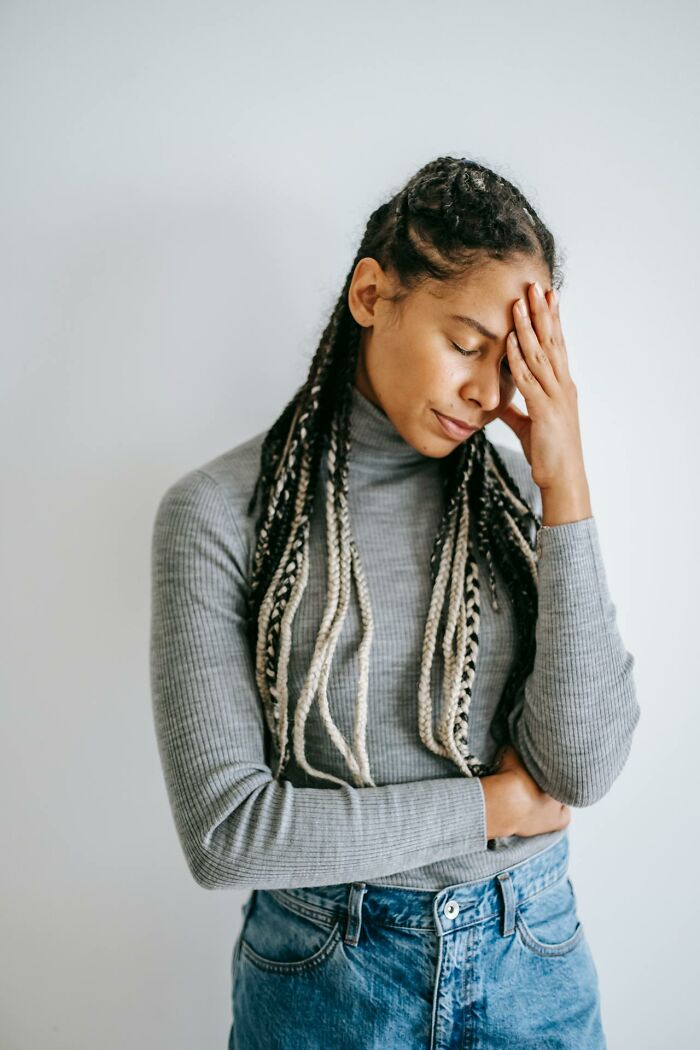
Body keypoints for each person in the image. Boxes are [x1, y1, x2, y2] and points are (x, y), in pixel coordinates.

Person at [149, 155, 640, 1048]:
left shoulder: (521, 504)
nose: (490, 394)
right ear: (372, 294)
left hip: (532, 962)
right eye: (465, 344)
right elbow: (226, 832)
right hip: (322, 980)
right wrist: (489, 810)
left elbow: (582, 768)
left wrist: (565, 480)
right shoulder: (221, 515)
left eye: (514, 361)